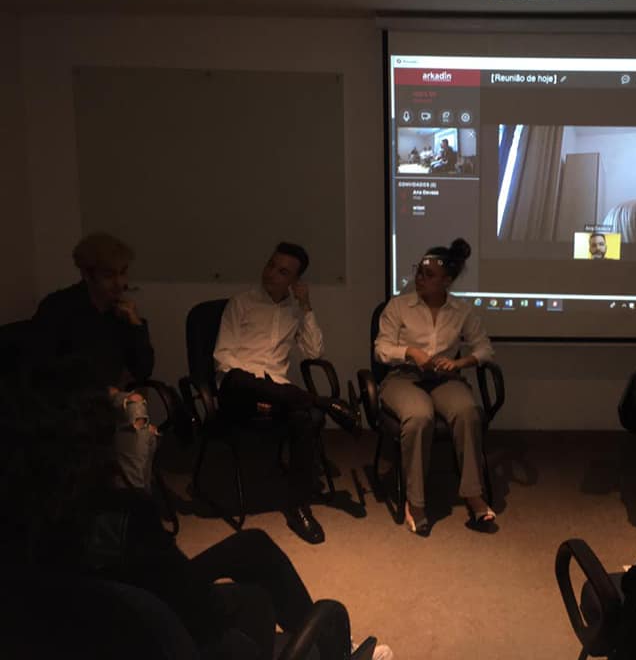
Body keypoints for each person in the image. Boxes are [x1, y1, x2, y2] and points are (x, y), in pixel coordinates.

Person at [0, 356, 392, 660]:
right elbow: (196, 613)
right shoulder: (122, 516)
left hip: (88, 618)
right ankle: (331, 651)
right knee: (254, 601)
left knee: (252, 547)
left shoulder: (21, 507)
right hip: (150, 629)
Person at [214, 242, 359, 545]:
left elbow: (314, 352)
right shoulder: (241, 303)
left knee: (302, 418)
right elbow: (222, 358)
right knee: (240, 379)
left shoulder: (294, 311)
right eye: (271, 265)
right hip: (239, 391)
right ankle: (325, 403)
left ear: (294, 280)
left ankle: (298, 507)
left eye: (282, 272)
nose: (271, 273)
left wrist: (306, 307)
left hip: (280, 393)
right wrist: (261, 390)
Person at [374, 238, 495, 535]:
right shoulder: (398, 306)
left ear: (447, 281)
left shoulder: (462, 311)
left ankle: (472, 494)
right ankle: (415, 502)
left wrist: (459, 362)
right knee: (419, 415)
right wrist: (410, 352)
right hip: (403, 377)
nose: (420, 278)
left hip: (444, 378)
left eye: (428, 275)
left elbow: (484, 349)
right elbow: (381, 349)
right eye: (419, 271)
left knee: (467, 412)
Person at [30, 232, 158, 492]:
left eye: (123, 273)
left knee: (141, 426)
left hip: (107, 401)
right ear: (87, 275)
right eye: (109, 276)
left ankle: (127, 496)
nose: (120, 283)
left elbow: (143, 370)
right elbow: (43, 370)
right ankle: (132, 499)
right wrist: (99, 390)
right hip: (67, 401)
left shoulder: (120, 313)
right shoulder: (58, 308)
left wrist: (136, 325)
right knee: (139, 418)